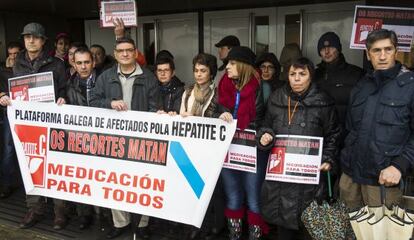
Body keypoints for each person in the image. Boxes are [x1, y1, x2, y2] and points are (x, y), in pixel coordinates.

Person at [258, 57, 340, 240]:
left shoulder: (324, 101)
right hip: (281, 180)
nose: (296, 78)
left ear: (310, 76)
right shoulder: (276, 98)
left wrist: (328, 159)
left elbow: (334, 135)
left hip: (310, 180)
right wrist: (264, 136)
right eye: (292, 74)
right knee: (284, 230)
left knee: (309, 230)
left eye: (302, 74)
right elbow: (265, 126)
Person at [0, 22, 67, 230]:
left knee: (55, 168)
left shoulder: (56, 63)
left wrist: (63, 99)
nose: (30, 40)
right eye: (27, 37)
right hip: (28, 125)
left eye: (35, 37)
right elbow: (12, 88)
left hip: (51, 124)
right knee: (30, 167)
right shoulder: (17, 62)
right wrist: (4, 96)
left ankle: (60, 213)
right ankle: (34, 209)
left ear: (43, 41)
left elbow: (65, 89)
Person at [89, 37, 157, 239]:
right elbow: (93, 101)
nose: (125, 54)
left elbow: (155, 107)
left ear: (135, 52)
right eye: (121, 50)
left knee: (143, 182)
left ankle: (142, 224)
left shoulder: (149, 77)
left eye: (129, 50)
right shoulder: (105, 76)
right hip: (113, 141)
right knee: (116, 181)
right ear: (116, 53)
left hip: (141, 141)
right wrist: (110, 103)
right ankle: (121, 222)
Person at [339, 29, 414, 210]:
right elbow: (350, 129)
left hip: (384, 180)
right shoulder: (362, 85)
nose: (382, 56)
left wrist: (399, 166)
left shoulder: (410, 86)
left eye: (388, 49)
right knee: (349, 231)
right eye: (376, 50)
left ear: (396, 52)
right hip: (350, 178)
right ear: (368, 54)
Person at [217, 46, 267, 240]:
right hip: (228, 151)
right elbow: (213, 112)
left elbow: (265, 121)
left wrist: (257, 132)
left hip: (253, 152)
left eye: (231, 63)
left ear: (243, 66)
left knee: (254, 198)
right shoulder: (222, 85)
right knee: (233, 196)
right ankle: (234, 236)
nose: (227, 66)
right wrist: (219, 115)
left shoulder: (260, 88)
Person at [314, 32, 364, 125]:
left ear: (339, 49)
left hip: (346, 132)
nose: (327, 51)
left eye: (331, 47)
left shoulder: (356, 74)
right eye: (322, 49)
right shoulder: (314, 75)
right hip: (320, 130)